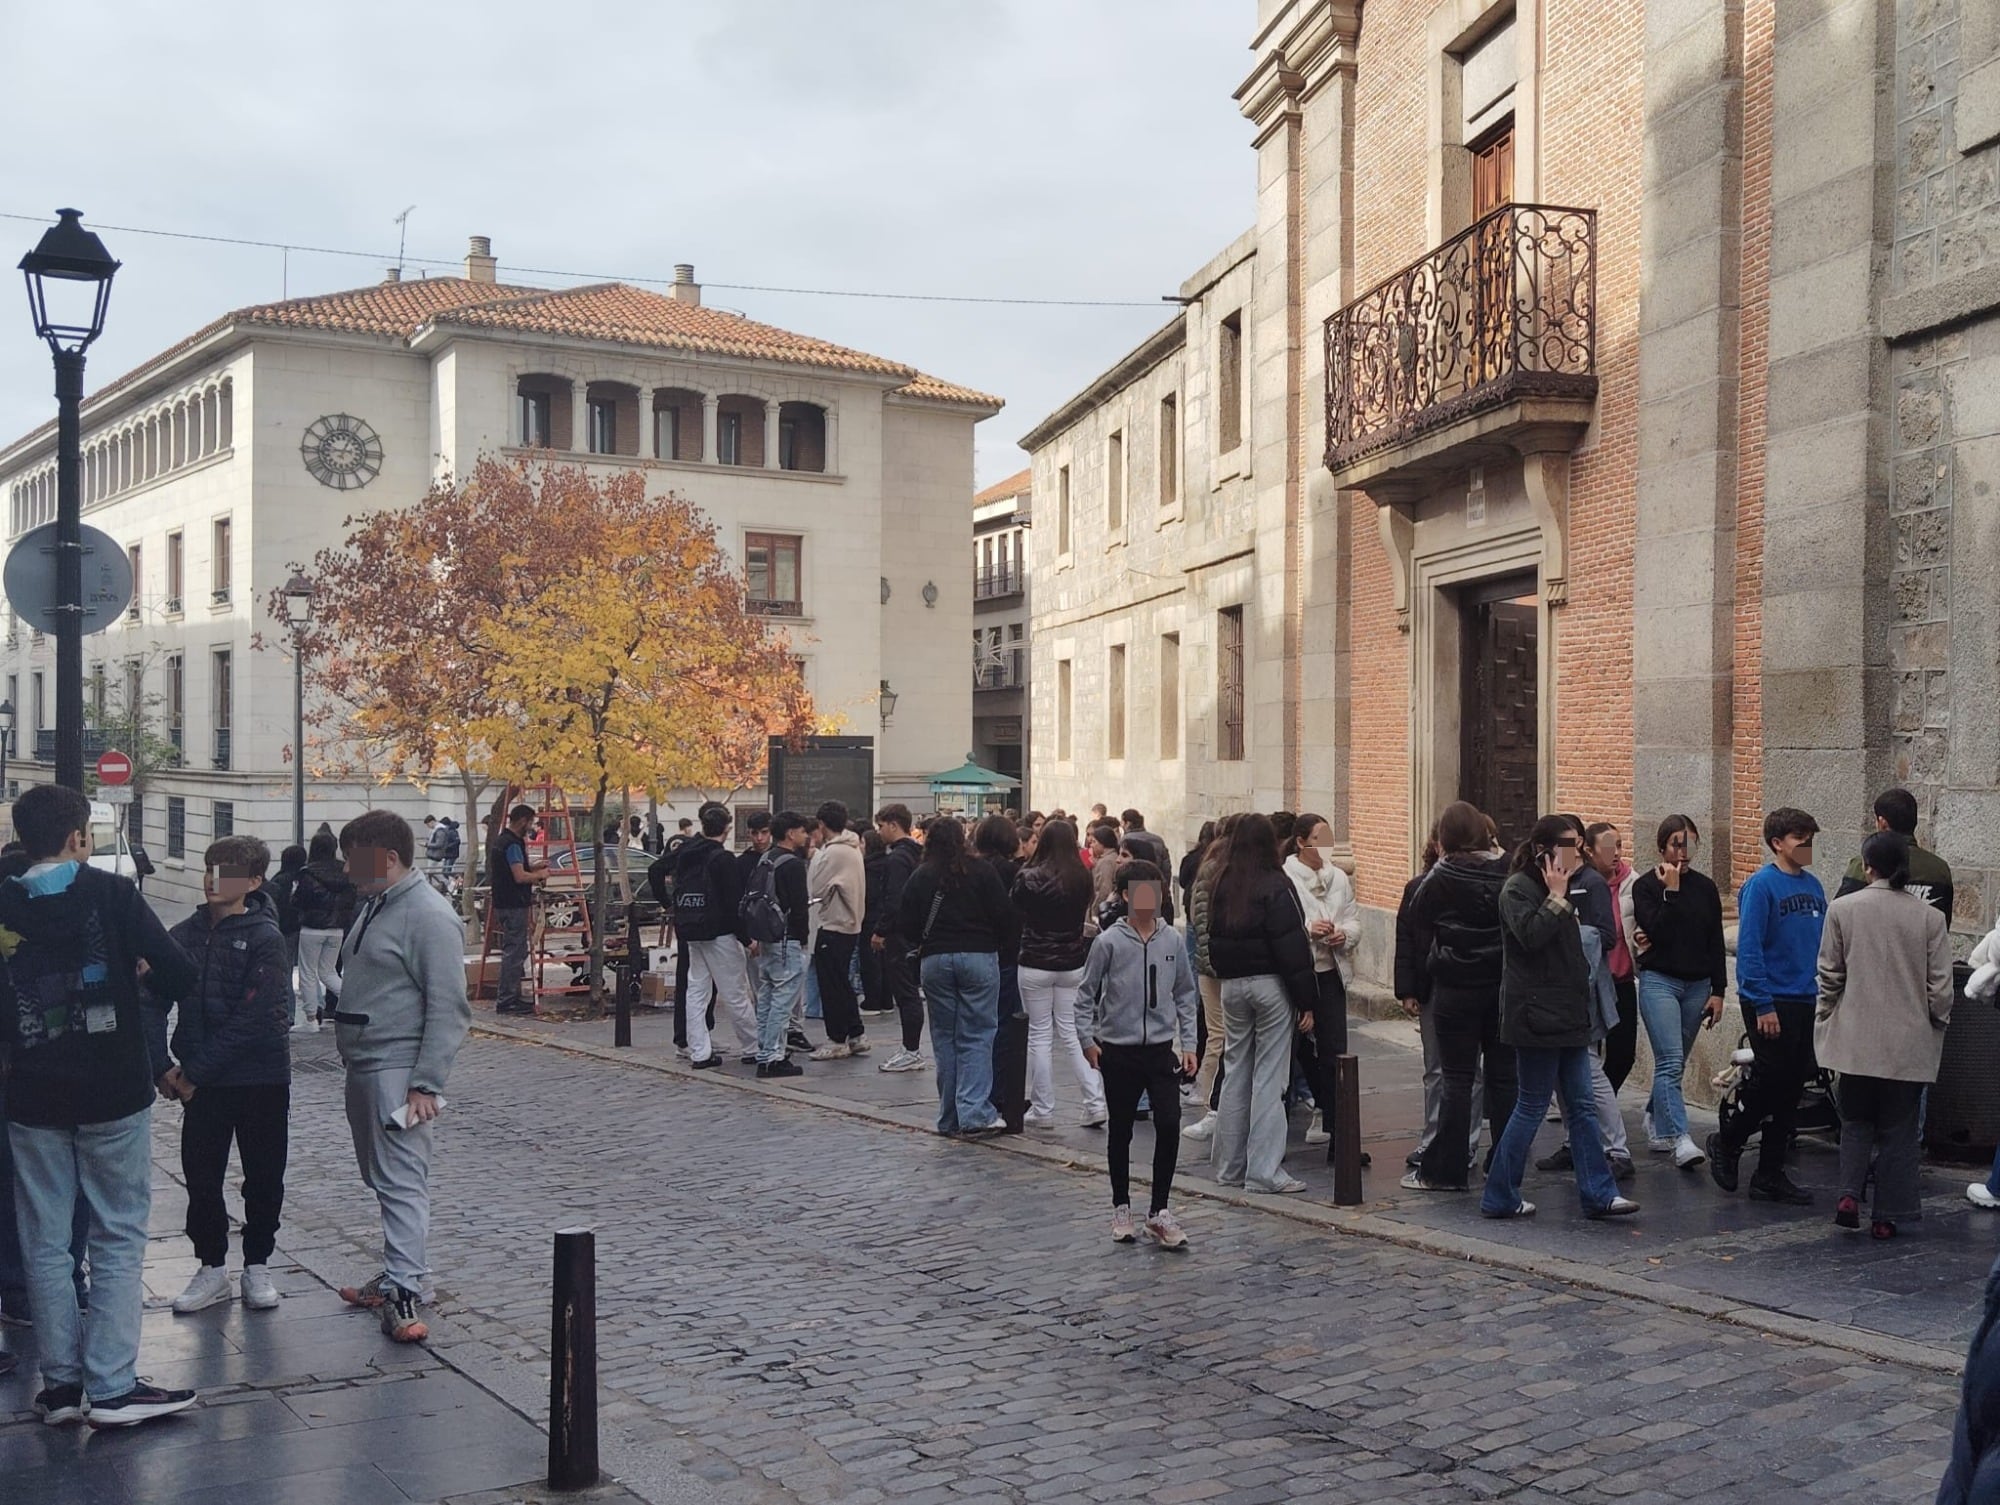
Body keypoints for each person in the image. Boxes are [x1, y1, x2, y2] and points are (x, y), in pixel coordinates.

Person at [0, 785, 200, 1427]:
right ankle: (111, 1387)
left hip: (30, 1092)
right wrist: (134, 972)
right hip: (111, 1087)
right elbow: (179, 975)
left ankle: (60, 1385)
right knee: (116, 1232)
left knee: (45, 1237)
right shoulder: (112, 895)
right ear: (79, 837)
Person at [331, 810, 472, 1343]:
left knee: (401, 1180)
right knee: (383, 1177)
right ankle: (404, 1274)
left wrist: (426, 1083)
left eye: (354, 858)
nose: (347, 870)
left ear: (388, 858)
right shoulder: (377, 905)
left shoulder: (428, 916)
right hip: (368, 1064)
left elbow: (449, 1006)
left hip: (396, 1070)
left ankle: (405, 1287)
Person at [157, 835, 294, 1317]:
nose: (215, 879)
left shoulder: (265, 936)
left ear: (253, 881)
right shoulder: (185, 934)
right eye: (210, 867)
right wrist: (162, 1066)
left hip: (259, 1077)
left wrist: (195, 1071)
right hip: (203, 1082)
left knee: (263, 1174)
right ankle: (211, 1265)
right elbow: (150, 996)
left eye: (229, 871)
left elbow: (257, 1016)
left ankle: (257, 1263)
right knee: (201, 1175)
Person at [1480, 815, 1639, 1220]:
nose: (1576, 854)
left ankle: (1599, 1193)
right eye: (1568, 846)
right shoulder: (1517, 889)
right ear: (1543, 851)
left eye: (1578, 846)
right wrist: (1556, 897)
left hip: (1568, 1014)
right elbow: (1531, 938)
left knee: (1582, 1106)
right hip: (1533, 1016)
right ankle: (1500, 1193)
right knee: (1531, 1105)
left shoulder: (1571, 886)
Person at [1813, 831, 1953, 1240]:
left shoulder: (1842, 909)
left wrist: (1825, 1017)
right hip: (1908, 1040)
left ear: (1868, 866)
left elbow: (1829, 974)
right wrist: (1936, 1023)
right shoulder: (1929, 918)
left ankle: (1848, 1195)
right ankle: (1888, 1215)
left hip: (1854, 1037)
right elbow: (1940, 987)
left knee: (1855, 1121)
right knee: (1898, 1130)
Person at [1076, 860, 1198, 1248]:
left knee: (1169, 1122)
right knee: (1122, 1130)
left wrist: (1190, 1042)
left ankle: (1159, 1210)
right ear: (1127, 896)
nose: (1151, 901)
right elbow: (1085, 994)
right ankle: (1121, 1205)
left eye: (1157, 893)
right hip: (1119, 1051)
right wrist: (1087, 1041)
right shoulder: (1108, 942)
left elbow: (1184, 992)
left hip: (1161, 1051)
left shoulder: (1172, 941)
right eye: (1143, 893)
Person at [1707, 807, 1826, 1204]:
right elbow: (1750, 949)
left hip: (1804, 997)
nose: (1806, 845)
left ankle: (1770, 1173)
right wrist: (1761, 1003)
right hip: (1771, 1000)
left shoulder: (1814, 887)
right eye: (1799, 838)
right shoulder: (1761, 886)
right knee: (1769, 1082)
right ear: (1778, 843)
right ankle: (1727, 1139)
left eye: (1810, 838)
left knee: (1791, 1088)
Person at [1404, 801, 1512, 1194]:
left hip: (1454, 989)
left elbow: (1418, 917)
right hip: (1500, 988)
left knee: (1456, 1080)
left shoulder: (1441, 875)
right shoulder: (1508, 871)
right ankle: (1503, 1164)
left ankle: (1447, 1170)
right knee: (1503, 1081)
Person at [1207, 812, 1318, 1196]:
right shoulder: (1276, 884)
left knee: (1236, 1071)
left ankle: (1228, 1166)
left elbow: (1211, 938)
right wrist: (1307, 1001)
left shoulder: (1223, 882)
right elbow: (1292, 946)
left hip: (1233, 986)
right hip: (1271, 987)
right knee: (1271, 1078)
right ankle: (1264, 1170)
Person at [898, 817, 1012, 1136]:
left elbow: (905, 922)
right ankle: (974, 1111)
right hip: (978, 955)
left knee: (945, 1036)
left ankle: (949, 1115)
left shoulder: (921, 875)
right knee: (977, 1033)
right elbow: (1005, 916)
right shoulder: (981, 871)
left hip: (935, 959)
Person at [1630, 814, 1727, 1169]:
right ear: (1661, 847)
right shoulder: (1646, 887)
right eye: (1676, 844)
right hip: (1660, 981)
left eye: (1690, 844)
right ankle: (1680, 1138)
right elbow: (1657, 930)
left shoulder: (1705, 888)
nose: (1683, 852)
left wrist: (1719, 990)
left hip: (1698, 984)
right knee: (1670, 1060)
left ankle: (1656, 1113)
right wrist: (1669, 892)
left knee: (1676, 1061)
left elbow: (1715, 940)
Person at [1012, 818, 1106, 1128]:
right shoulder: (1082, 877)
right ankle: (1095, 1101)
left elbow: (1017, 912)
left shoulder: (1028, 877)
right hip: (1071, 961)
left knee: (1039, 1034)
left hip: (1036, 959)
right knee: (1072, 1032)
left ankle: (1043, 1108)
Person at [1282, 814, 1363, 1164]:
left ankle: (1339, 1135)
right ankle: (1276, 1135)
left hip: (1331, 973)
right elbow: (1282, 923)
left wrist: (1345, 934)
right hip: (1297, 974)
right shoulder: (1285, 877)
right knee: (1291, 1053)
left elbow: (1353, 919)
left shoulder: (1339, 878)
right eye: (1319, 837)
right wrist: (1307, 929)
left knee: (1335, 1056)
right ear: (1301, 842)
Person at [672, 803, 759, 1068]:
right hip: (720, 934)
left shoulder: (687, 853)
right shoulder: (723, 859)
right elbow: (734, 904)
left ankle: (699, 1050)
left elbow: (659, 872)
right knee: (735, 992)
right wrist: (747, 939)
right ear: (727, 828)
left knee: (696, 992)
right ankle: (753, 1045)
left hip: (692, 929)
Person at [974, 815, 1029, 1132]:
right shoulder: (1012, 872)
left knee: (979, 1027)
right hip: (1008, 956)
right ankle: (1002, 1094)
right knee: (1005, 1026)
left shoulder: (972, 869)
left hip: (981, 951)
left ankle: (983, 1094)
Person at [1182, 816, 1235, 1145]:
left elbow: (1194, 919)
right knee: (1222, 1035)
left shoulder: (1203, 868)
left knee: (1218, 1034)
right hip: (1221, 966)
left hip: (1209, 964)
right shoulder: (1227, 874)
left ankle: (1206, 1095)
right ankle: (1209, 1097)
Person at [745, 811, 810, 1078]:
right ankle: (774, 1056)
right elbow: (799, 905)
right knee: (783, 999)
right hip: (787, 938)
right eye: (802, 831)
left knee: (768, 996)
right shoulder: (792, 864)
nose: (805, 836)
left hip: (767, 935)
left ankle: (764, 1050)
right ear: (791, 833)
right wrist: (803, 938)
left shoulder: (765, 858)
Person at [808, 801, 869, 1060]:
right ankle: (855, 1033)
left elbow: (817, 889)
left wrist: (815, 858)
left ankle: (837, 1038)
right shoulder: (853, 848)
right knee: (842, 982)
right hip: (851, 923)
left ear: (821, 825)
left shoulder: (833, 853)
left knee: (831, 985)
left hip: (834, 923)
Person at [871, 805, 929, 1073]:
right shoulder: (919, 855)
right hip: (917, 932)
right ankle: (911, 1048)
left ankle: (911, 1050)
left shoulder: (896, 860)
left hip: (900, 935)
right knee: (910, 992)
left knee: (905, 993)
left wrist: (881, 930)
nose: (879, 831)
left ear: (894, 825)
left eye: (881, 825)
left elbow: (894, 900)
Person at [1838, 787, 1953, 921]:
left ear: (1882, 824)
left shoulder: (1865, 863)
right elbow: (1943, 923)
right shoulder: (1939, 869)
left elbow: (1842, 917)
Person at [1584, 823, 1639, 1091]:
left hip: (1621, 981)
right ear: (1589, 851)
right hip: (1589, 982)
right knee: (1585, 1055)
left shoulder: (1632, 882)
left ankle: (1599, 1104)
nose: (1615, 852)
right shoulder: (1579, 883)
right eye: (1608, 847)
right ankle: (1586, 1106)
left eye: (1618, 845)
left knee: (1623, 1054)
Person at [487, 804, 549, 1016]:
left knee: (514, 950)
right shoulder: (512, 844)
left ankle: (509, 996)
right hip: (513, 903)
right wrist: (538, 876)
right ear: (522, 820)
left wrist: (532, 867)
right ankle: (507, 999)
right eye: (530, 822)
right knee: (514, 952)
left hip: (505, 902)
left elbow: (516, 869)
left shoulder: (502, 841)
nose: (531, 826)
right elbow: (519, 876)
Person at [294, 831, 357, 1028]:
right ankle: (355, 1002)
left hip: (312, 927)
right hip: (337, 928)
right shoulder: (345, 870)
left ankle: (311, 1019)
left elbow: (298, 900)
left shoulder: (307, 872)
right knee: (329, 972)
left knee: (308, 973)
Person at [266, 844, 311, 1032]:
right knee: (312, 972)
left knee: (284, 974)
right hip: (304, 928)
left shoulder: (279, 881)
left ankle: (289, 1014)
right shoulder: (306, 878)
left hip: (284, 930)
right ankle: (315, 1009)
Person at [858, 827, 890, 1017]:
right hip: (885, 917)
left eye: (862, 843)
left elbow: (867, 895)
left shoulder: (867, 868)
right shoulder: (888, 863)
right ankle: (886, 999)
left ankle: (873, 1001)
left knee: (869, 961)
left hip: (870, 918)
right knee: (884, 961)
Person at [1119, 809, 1169, 873]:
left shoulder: (1125, 840)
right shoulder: (1158, 840)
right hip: (1155, 878)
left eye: (1122, 822)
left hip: (1133, 877)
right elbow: (1166, 865)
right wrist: (1164, 881)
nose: (1121, 825)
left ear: (1128, 823)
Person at [424, 815, 461, 882]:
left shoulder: (448, 831)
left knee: (446, 872)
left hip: (450, 854)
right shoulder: (447, 831)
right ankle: (450, 884)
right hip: (447, 854)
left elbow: (455, 842)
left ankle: (456, 881)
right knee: (444, 872)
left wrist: (446, 846)